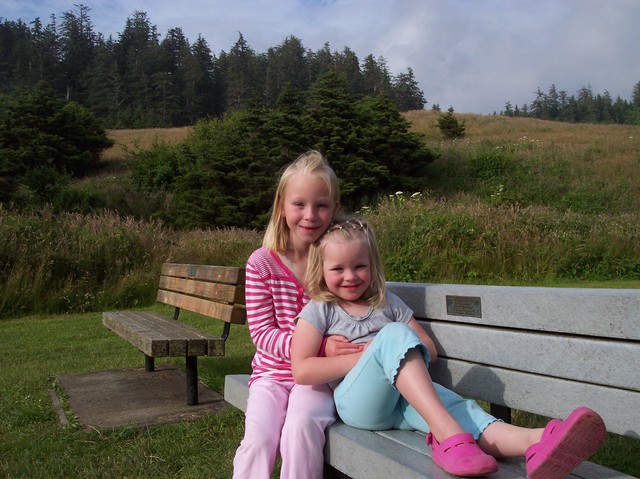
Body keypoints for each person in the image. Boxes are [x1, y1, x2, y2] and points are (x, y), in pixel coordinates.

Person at [291, 218, 607, 478]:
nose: (350, 277)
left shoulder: (387, 304)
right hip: (359, 405)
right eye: (338, 269)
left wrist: (390, 352)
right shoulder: (322, 309)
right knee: (396, 338)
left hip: (405, 399)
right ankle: (448, 436)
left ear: (372, 265)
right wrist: (370, 354)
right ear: (322, 270)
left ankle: (538, 443)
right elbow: (302, 370)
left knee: (459, 409)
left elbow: (428, 347)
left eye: (359, 266)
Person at [233, 150, 358, 479]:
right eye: (299, 204)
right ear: (281, 207)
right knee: (258, 441)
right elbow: (262, 334)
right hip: (271, 376)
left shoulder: (334, 262)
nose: (310, 215)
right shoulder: (261, 263)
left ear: (334, 209)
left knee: (300, 430)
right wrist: (318, 347)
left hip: (318, 378)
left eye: (322, 205)